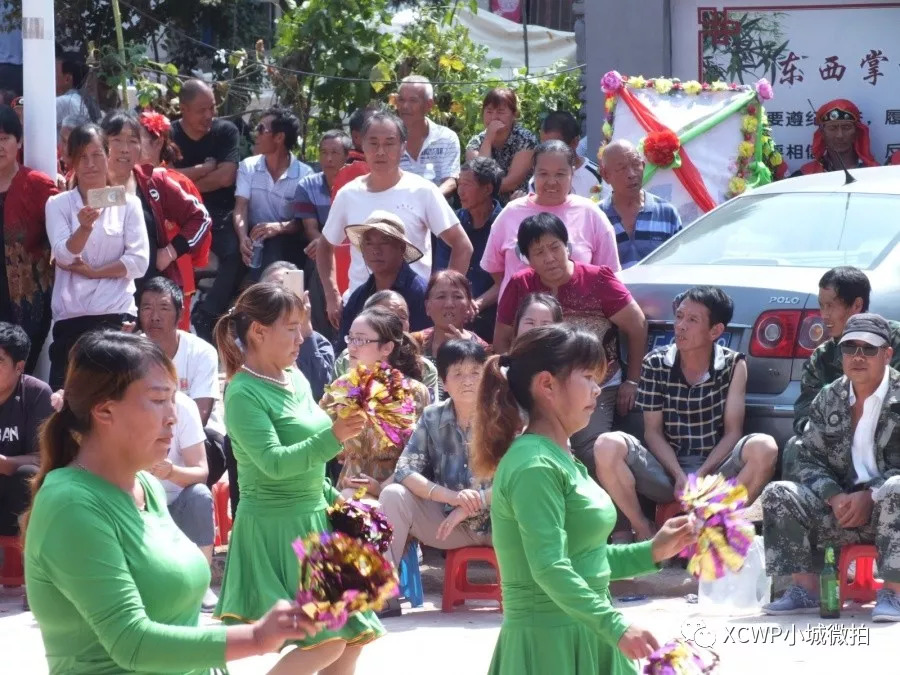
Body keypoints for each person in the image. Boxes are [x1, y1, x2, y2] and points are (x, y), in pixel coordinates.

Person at [25, 330, 319, 674]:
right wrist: (254, 637)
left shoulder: (147, 487)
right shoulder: (70, 504)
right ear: (104, 410)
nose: (173, 417)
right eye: (158, 399)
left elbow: (179, 624)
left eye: (173, 400)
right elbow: (131, 642)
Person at [472, 324, 697, 675]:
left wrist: (653, 550)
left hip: (586, 630)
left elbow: (584, 559)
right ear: (547, 384)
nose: (598, 389)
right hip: (548, 646)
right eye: (589, 377)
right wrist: (615, 626)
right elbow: (549, 567)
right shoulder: (534, 464)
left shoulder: (560, 456)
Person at [213, 283, 384, 673]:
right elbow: (273, 463)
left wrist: (344, 438)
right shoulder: (242, 393)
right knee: (326, 642)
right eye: (291, 327)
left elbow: (319, 441)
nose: (301, 336)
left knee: (354, 638)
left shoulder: (295, 376)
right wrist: (333, 436)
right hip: (275, 526)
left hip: (315, 516)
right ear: (259, 331)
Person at [593, 287, 779, 541]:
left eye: (692, 320)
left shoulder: (734, 364)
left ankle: (715, 526)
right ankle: (646, 533)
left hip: (713, 470)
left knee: (764, 447)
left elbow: (733, 431)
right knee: (607, 445)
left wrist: (701, 474)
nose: (680, 326)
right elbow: (653, 432)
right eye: (679, 317)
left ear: (715, 331)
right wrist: (679, 476)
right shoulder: (655, 362)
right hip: (667, 471)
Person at [762, 313, 900, 622]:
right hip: (841, 510)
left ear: (887, 354)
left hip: (891, 511)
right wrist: (834, 496)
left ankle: (894, 592)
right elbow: (808, 456)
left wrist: (872, 493)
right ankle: (804, 590)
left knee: (897, 489)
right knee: (779, 492)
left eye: (869, 349)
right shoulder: (829, 397)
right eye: (850, 348)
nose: (858, 357)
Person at [495, 213, 648, 473]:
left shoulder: (598, 279)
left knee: (588, 452)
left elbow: (637, 325)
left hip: (597, 383)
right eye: (539, 252)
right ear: (527, 259)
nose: (550, 257)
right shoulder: (521, 284)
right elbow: (502, 339)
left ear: (568, 246)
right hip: (541, 388)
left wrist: (632, 381)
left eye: (555, 247)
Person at [317, 110, 472, 329]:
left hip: (412, 304)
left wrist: (446, 299)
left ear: (402, 146)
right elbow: (325, 246)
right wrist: (332, 294)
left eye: (389, 143)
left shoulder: (422, 190)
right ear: (362, 145)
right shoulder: (348, 194)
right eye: (373, 143)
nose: (381, 151)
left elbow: (462, 245)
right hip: (362, 302)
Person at [45, 123, 150, 390]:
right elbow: (64, 255)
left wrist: (95, 272)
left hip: (115, 316)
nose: (90, 164)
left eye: (96, 155)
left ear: (107, 155)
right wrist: (84, 228)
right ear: (70, 161)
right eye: (82, 156)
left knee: (115, 399)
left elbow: (139, 262)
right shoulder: (58, 204)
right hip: (72, 319)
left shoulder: (128, 203)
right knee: (66, 404)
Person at [381, 340, 492, 571]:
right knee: (393, 494)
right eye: (458, 373)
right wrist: (452, 498)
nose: (468, 380)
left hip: (502, 525)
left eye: (475, 372)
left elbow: (519, 478)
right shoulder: (433, 417)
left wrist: (472, 504)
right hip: (448, 526)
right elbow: (405, 471)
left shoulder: (506, 415)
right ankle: (384, 592)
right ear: (444, 382)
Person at [785, 266, 900, 479]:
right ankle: (821, 507)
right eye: (821, 306)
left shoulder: (894, 342)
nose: (824, 315)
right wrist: (827, 429)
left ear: (857, 304)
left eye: (831, 306)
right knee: (797, 446)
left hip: (889, 446)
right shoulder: (822, 357)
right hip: (838, 447)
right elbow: (803, 411)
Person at [481, 140, 619, 301]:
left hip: (576, 321)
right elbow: (495, 269)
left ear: (572, 173)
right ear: (533, 173)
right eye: (543, 173)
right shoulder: (510, 213)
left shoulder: (590, 213)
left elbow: (609, 274)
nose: (551, 182)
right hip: (519, 320)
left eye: (560, 174)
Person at [100, 111, 212, 301]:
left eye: (133, 141)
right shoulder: (85, 181)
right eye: (117, 139)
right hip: (100, 292)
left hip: (148, 294)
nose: (125, 149)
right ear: (101, 142)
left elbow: (201, 218)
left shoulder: (154, 181)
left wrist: (170, 252)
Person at [323, 306, 431, 499]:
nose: (352, 346)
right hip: (349, 491)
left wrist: (382, 487)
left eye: (361, 340)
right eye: (351, 338)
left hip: (399, 492)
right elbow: (317, 437)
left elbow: (421, 453)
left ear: (387, 348)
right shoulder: (341, 387)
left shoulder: (415, 391)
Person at [137, 276, 228, 487]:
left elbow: (201, 414)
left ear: (180, 314)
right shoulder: (131, 353)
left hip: (197, 437)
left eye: (164, 308)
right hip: (147, 432)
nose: (155, 317)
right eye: (147, 308)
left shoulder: (202, 352)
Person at [170, 79, 241, 343]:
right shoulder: (169, 135)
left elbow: (226, 177)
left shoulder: (225, 131)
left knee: (236, 254)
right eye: (201, 110)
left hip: (218, 214)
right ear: (184, 109)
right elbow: (161, 174)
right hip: (177, 216)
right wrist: (202, 170)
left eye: (212, 107)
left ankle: (208, 312)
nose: (209, 115)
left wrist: (182, 181)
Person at [137, 110, 211, 331]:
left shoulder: (174, 181)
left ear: (157, 142)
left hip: (173, 267)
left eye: (134, 140)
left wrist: (171, 252)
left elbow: (200, 228)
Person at [0, 105, 57, 372]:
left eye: (4, 139)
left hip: (27, 305)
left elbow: (61, 233)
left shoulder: (37, 185)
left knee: (17, 377)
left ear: (19, 141)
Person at [155, 390, 219, 611]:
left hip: (177, 500)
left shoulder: (184, 406)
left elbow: (201, 471)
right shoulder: (125, 405)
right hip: (137, 499)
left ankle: (201, 582)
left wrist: (170, 472)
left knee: (200, 495)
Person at [235, 108, 312, 280]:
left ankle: (261, 296)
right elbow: (241, 208)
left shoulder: (305, 175)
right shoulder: (248, 166)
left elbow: (302, 223)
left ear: (279, 137)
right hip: (252, 232)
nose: (256, 134)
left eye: (261, 129)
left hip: (285, 238)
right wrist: (242, 238)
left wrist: (278, 228)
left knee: (275, 245)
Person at [337, 211, 430, 347]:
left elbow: (424, 345)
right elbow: (343, 347)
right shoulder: (358, 297)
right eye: (368, 243)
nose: (376, 250)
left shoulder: (420, 293)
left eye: (384, 241)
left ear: (402, 248)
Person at [436, 156, 504, 343]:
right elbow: (443, 271)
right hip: (454, 310)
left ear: (487, 189)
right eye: (459, 184)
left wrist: (478, 303)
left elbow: (508, 277)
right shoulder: (452, 224)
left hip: (494, 314)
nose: (460, 191)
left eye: (467, 185)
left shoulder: (505, 222)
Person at [293, 129, 352, 340]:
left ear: (347, 155)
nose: (328, 158)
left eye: (335, 153)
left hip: (354, 245)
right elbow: (311, 229)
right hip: (323, 245)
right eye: (323, 152)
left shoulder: (358, 184)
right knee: (317, 260)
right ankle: (321, 332)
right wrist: (324, 245)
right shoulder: (307, 185)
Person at [333, 290, 440, 397]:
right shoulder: (346, 361)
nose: (395, 323)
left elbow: (428, 412)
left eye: (402, 317)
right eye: (385, 316)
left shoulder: (423, 371)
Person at [0, 323, 52, 537]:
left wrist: (6, 464)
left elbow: (45, 458)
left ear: (19, 367)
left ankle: (12, 556)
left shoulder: (36, 394)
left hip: (13, 486)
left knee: (26, 476)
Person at [598, 140, 682, 269]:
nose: (631, 174)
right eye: (621, 168)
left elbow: (678, 264)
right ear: (605, 175)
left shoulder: (667, 213)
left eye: (636, 165)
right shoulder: (596, 216)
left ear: (643, 165)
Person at [260, 261, 335, 401]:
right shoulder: (249, 340)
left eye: (286, 286)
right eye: (274, 288)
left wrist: (305, 330)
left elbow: (319, 391)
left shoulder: (319, 343)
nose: (280, 294)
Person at [465, 87, 537, 200]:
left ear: (514, 114)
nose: (494, 117)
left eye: (500, 112)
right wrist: (488, 139)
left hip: (518, 199)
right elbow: (480, 177)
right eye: (489, 111)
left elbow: (510, 183)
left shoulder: (526, 140)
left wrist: (483, 188)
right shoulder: (475, 143)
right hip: (484, 203)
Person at [396, 75, 460, 197]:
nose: (405, 106)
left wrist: (429, 202)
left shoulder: (446, 138)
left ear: (429, 105)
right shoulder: (388, 139)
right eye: (401, 100)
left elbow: (451, 181)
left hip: (436, 209)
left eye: (413, 100)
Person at [413, 270, 489, 360]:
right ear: (427, 307)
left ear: (469, 306)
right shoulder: (414, 343)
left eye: (457, 297)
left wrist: (469, 351)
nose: (449, 304)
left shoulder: (482, 349)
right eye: (441, 297)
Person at [791, 99, 879, 176]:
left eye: (846, 127)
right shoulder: (806, 175)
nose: (839, 135)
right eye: (832, 128)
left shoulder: (876, 173)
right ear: (822, 133)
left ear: (856, 132)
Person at [528, 111, 600, 198]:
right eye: (543, 145)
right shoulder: (536, 181)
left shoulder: (597, 176)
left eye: (555, 147)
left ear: (575, 142)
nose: (547, 152)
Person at [330, 105, 379, 200]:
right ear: (356, 137)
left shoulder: (373, 163)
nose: (382, 130)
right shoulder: (355, 168)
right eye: (375, 127)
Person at [54, 49, 99, 129]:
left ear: (67, 79)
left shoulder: (66, 102)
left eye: (53, 73)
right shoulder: (82, 99)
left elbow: (30, 116)